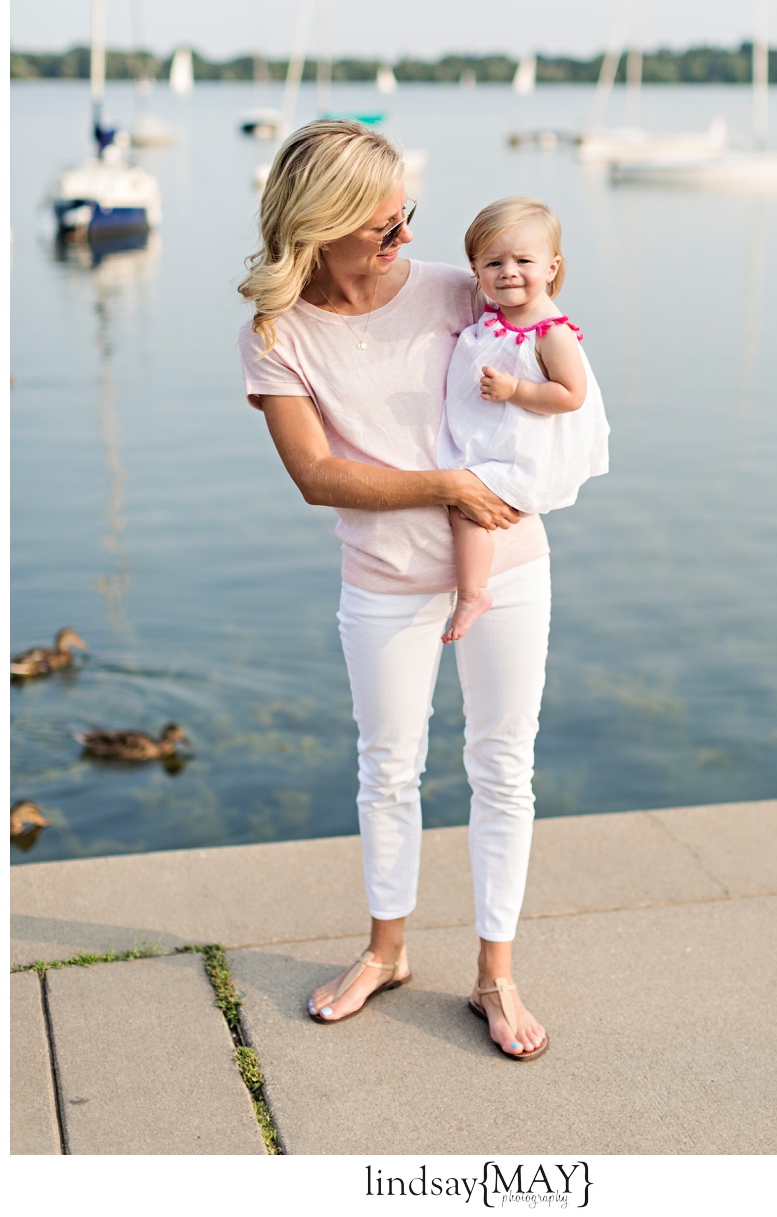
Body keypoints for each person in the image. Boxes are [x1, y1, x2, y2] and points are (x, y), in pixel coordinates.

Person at [237, 119, 561, 1059]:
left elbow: (557, 377)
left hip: (509, 565)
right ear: (322, 224)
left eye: (405, 214)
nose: (405, 237)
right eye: (384, 224)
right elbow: (315, 474)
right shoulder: (276, 333)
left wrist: (528, 462)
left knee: (503, 766)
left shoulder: (461, 293)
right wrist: (446, 485)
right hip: (381, 580)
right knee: (387, 768)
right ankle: (387, 953)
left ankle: (496, 976)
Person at [437, 197, 609, 645]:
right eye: (494, 262)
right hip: (502, 438)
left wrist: (517, 390)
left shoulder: (551, 333)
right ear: (476, 271)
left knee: (466, 509)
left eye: (523, 260)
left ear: (552, 267)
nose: (508, 271)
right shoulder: (498, 316)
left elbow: (571, 395)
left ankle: (473, 593)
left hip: (529, 452)